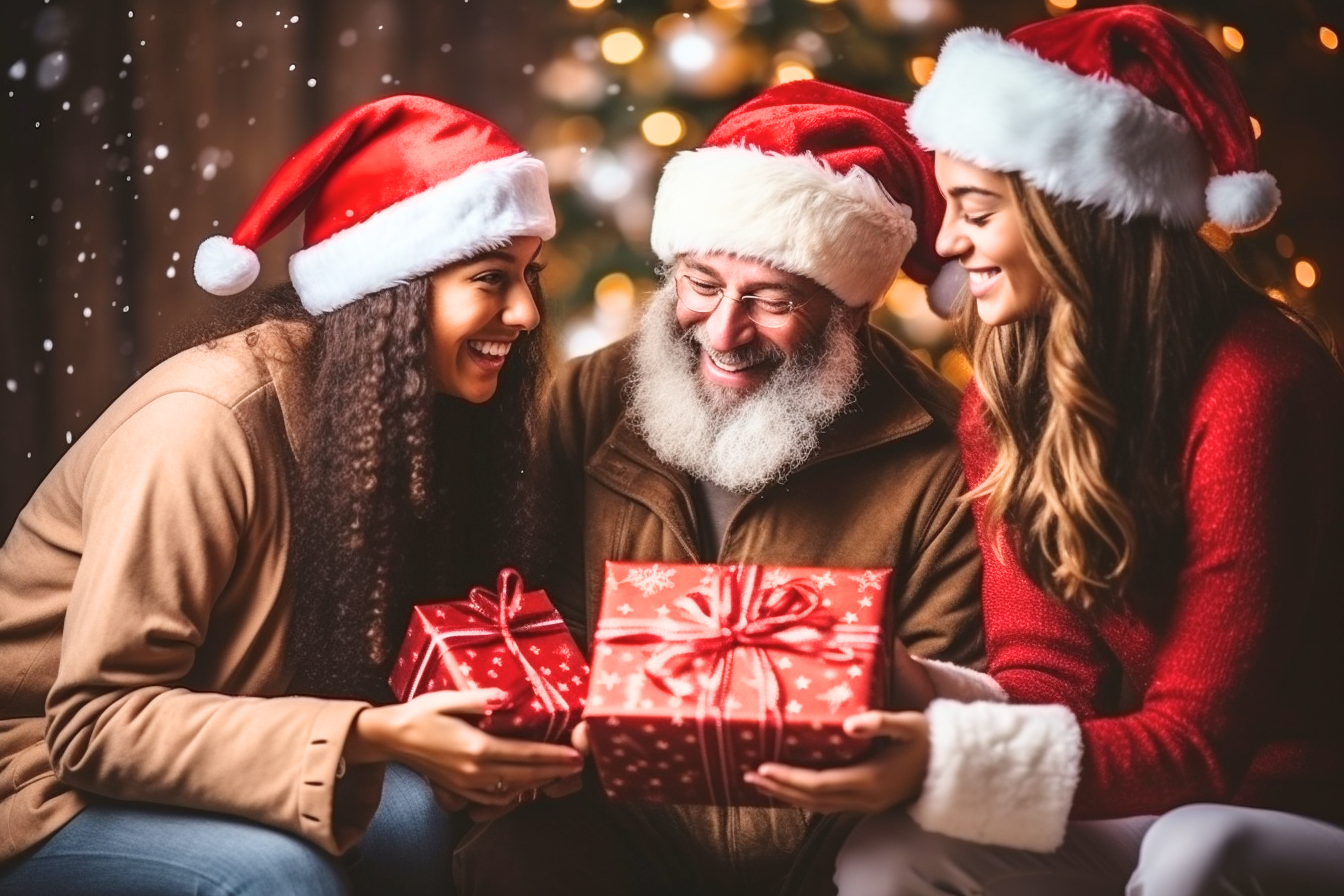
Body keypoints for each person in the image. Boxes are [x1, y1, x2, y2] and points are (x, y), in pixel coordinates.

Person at [758, 8, 1344, 895]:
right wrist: (914, 687)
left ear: (1077, 216)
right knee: (891, 854)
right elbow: (1047, 678)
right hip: (1154, 794)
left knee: (1195, 855)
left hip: (1295, 802)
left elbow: (1200, 741)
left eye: (976, 209)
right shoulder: (1010, 395)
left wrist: (941, 756)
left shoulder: (1259, 384)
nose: (945, 241)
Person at [0, 94, 585, 896]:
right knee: (277, 877)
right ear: (390, 294)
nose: (524, 312)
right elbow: (96, 726)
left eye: (528, 277)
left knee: (415, 813)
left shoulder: (417, 418)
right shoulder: (203, 426)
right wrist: (375, 734)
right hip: (44, 783)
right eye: (491, 279)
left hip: (227, 753)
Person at [454, 81, 985, 896]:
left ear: (852, 311)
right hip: (608, 824)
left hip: (833, 847)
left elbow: (950, 692)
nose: (724, 330)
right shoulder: (591, 400)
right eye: (701, 283)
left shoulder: (940, 451)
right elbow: (512, 600)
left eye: (771, 301)